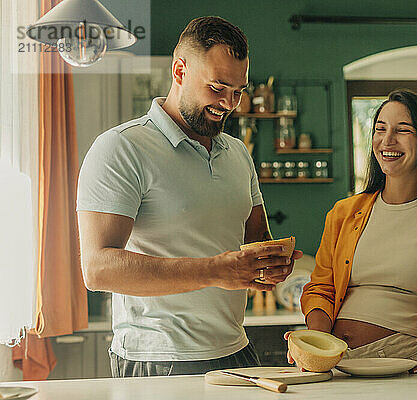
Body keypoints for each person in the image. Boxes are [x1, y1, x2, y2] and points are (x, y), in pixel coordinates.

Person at [77, 16, 301, 377]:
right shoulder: (122, 147)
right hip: (159, 357)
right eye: (217, 87)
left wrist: (273, 265)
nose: (229, 103)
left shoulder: (238, 153)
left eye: (239, 90)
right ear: (179, 70)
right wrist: (215, 271)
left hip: (237, 349)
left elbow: (256, 241)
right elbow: (98, 269)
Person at [290, 89, 417, 372]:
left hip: (407, 363)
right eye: (380, 129)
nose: (387, 140)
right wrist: (316, 339)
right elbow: (321, 288)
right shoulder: (344, 214)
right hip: (337, 362)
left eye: (403, 130)